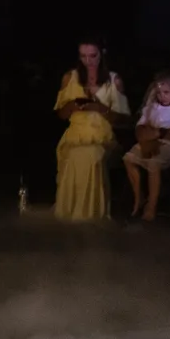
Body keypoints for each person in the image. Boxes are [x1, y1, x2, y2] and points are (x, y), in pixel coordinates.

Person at [52, 39, 131, 220]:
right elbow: (61, 115)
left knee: (91, 154)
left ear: (102, 54)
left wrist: (101, 109)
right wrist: (72, 105)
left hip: (102, 137)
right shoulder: (69, 78)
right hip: (75, 136)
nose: (88, 61)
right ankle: (69, 212)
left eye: (93, 56)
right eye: (83, 56)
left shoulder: (113, 80)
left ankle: (91, 213)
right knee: (75, 154)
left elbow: (125, 120)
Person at [123, 71, 170, 221]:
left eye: (166, 92)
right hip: (154, 139)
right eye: (159, 93)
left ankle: (152, 205)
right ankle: (139, 197)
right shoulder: (152, 108)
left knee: (154, 162)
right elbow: (143, 127)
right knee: (128, 158)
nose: (162, 96)